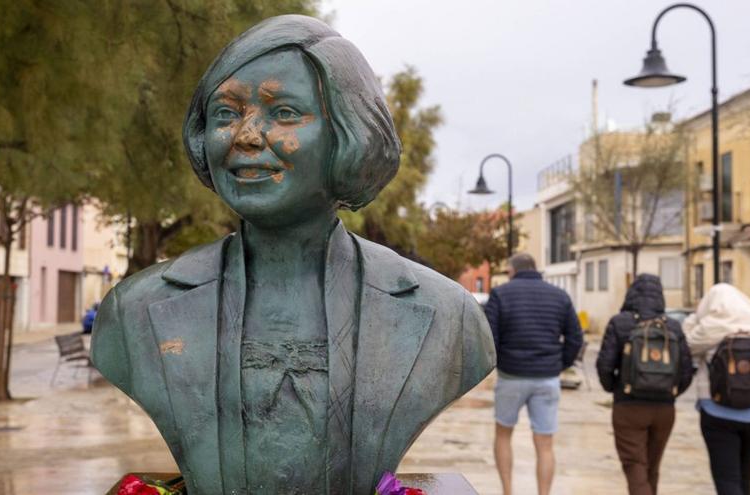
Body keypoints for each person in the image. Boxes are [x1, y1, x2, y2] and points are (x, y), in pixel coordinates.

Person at [91, 15, 495, 495]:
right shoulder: (134, 310)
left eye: (283, 112)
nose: (245, 136)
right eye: (225, 113)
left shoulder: (446, 317)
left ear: (348, 135)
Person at [484, 253, 583, 495]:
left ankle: (508, 491)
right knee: (545, 444)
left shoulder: (500, 294)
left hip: (511, 376)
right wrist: (558, 364)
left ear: (513, 270)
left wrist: (501, 361)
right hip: (547, 378)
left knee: (503, 434)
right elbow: (575, 338)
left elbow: (488, 338)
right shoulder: (560, 296)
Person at [683, 283, 750, 495]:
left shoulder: (708, 329)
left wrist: (695, 319)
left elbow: (687, 346)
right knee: (744, 476)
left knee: (726, 479)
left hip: (716, 412)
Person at [596, 274, 694, 495]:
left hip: (628, 407)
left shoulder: (620, 323)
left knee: (634, 465)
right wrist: (670, 393)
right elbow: (687, 370)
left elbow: (604, 365)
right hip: (664, 410)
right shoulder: (674, 327)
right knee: (652, 466)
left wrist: (616, 389)